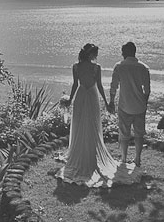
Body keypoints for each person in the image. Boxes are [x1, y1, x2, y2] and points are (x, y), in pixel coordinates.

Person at [56, 43, 140, 187]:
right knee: (91, 125)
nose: (96, 56)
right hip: (91, 96)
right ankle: (88, 154)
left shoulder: (76, 66)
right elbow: (99, 86)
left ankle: (84, 153)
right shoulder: (96, 68)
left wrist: (70, 99)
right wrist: (107, 102)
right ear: (90, 54)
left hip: (81, 95)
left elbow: (75, 84)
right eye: (95, 53)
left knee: (82, 124)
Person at [110, 41, 150, 167]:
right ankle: (138, 159)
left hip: (125, 105)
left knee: (124, 134)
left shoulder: (119, 66)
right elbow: (147, 90)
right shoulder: (143, 67)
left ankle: (124, 159)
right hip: (139, 106)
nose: (121, 54)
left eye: (123, 52)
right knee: (139, 134)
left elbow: (114, 87)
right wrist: (145, 102)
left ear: (126, 53)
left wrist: (111, 101)